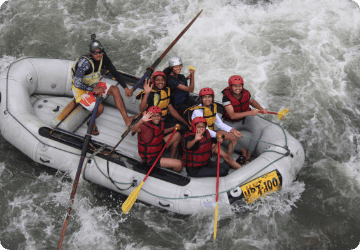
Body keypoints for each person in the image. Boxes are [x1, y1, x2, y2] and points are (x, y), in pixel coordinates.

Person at [71, 35, 134, 135]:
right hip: (81, 90)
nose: (99, 54)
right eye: (96, 52)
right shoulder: (84, 63)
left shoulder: (103, 57)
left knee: (115, 90)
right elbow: (77, 83)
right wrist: (93, 89)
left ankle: (127, 119)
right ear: (91, 53)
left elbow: (114, 72)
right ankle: (91, 122)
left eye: (100, 51)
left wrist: (125, 87)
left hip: (93, 84)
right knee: (100, 108)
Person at [185, 88, 243, 169]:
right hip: (203, 138)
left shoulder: (212, 108)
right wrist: (218, 135)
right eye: (205, 97)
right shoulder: (197, 112)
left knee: (234, 136)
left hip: (212, 134)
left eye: (209, 97)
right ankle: (230, 160)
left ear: (212, 98)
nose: (207, 99)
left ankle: (227, 160)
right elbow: (205, 130)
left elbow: (220, 124)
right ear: (201, 99)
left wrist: (232, 130)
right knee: (227, 157)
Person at [222, 75, 267, 163]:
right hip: (231, 122)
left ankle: (249, 154)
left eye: (240, 86)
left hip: (246, 119)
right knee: (222, 136)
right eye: (235, 86)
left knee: (258, 129)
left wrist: (261, 109)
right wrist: (250, 112)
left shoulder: (246, 93)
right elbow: (232, 115)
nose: (238, 88)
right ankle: (242, 150)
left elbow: (252, 102)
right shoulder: (226, 97)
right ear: (230, 86)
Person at [131, 106, 182, 172]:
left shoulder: (159, 124)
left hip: (159, 147)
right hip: (151, 158)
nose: (156, 118)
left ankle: (171, 158)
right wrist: (142, 120)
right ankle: (173, 168)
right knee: (179, 164)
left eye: (158, 116)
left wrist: (173, 128)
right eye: (154, 116)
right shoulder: (144, 127)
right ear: (150, 117)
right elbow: (133, 129)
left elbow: (161, 132)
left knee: (177, 135)